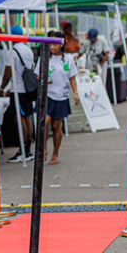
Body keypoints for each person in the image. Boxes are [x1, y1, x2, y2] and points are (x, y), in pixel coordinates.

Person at [35, 31, 79, 164]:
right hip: (47, 96)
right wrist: (44, 79)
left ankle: (55, 154)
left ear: (62, 44)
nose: (52, 47)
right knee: (44, 122)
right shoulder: (44, 58)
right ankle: (43, 149)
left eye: (55, 44)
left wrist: (75, 92)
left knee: (56, 126)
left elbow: (72, 78)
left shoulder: (68, 60)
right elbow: (37, 75)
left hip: (62, 96)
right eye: (50, 44)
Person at [0, 24, 35, 162]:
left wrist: (1, 89)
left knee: (18, 119)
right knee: (27, 118)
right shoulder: (28, 49)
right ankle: (28, 149)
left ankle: (22, 150)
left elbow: (7, 74)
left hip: (17, 91)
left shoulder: (11, 52)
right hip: (27, 89)